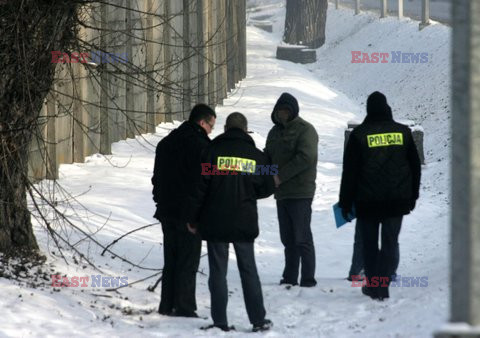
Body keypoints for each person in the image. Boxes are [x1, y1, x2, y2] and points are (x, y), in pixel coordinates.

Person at [187, 112, 274, 332]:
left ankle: (219, 321)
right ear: (245, 130)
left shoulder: (211, 153)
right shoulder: (256, 157)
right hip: (244, 220)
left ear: (225, 129)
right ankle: (258, 320)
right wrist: (250, 192)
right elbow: (268, 185)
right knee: (248, 270)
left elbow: (199, 187)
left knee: (218, 271)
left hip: (215, 220)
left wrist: (194, 217)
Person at [339, 91, 421, 300]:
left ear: (368, 109)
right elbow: (415, 167)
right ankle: (382, 286)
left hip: (368, 202)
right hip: (397, 200)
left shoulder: (359, 135)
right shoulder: (403, 133)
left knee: (369, 245)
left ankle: (374, 286)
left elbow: (349, 173)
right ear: (387, 108)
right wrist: (413, 196)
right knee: (390, 242)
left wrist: (345, 203)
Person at [151, 103, 216, 317]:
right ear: (201, 122)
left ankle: (167, 304)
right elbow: (202, 181)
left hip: (166, 211)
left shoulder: (166, 143)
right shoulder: (201, 147)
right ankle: (185, 307)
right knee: (188, 261)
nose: (211, 131)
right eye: (211, 126)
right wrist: (198, 213)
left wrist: (159, 201)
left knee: (171, 259)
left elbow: (156, 178)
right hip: (188, 214)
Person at [265, 92, 319, 287]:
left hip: (300, 192)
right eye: (280, 111)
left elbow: (306, 157)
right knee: (287, 238)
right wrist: (264, 174)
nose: (283, 114)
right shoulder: (274, 132)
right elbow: (267, 157)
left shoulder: (306, 130)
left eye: (287, 111)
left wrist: (280, 176)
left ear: (294, 111)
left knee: (302, 237)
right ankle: (289, 277)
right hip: (281, 193)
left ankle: (308, 279)